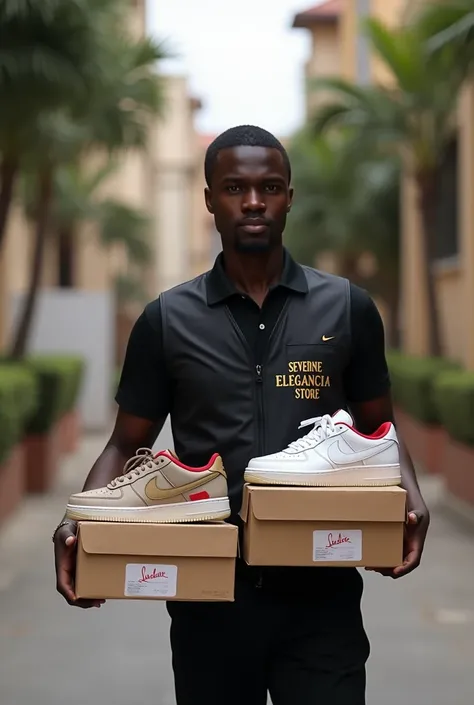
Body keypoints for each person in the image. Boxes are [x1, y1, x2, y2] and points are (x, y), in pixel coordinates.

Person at [53, 125, 430, 705]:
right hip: (209, 596)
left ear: (289, 196)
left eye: (269, 186)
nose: (253, 202)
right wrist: (80, 519)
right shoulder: (167, 319)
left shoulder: (347, 307)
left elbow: (380, 425)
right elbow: (125, 440)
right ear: (208, 198)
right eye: (234, 187)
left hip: (321, 591)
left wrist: (411, 493)